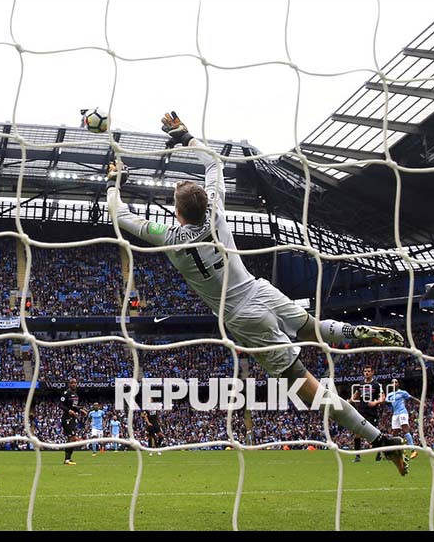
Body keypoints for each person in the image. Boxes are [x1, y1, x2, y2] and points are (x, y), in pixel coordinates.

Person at [105, 111, 409, 475]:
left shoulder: (168, 238)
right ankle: (352, 331)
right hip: (259, 290)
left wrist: (113, 182)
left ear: (177, 213)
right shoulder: (216, 213)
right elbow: (214, 163)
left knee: (306, 388)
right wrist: (185, 137)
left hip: (243, 317)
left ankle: (378, 439)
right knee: (312, 328)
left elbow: (120, 217)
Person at [349, 365, 385, 463]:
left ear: (372, 372)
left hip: (372, 413)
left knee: (374, 435)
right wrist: (350, 401)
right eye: (365, 371)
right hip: (361, 413)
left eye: (369, 371)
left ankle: (378, 454)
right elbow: (356, 395)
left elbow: (382, 397)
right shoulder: (360, 384)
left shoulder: (376, 385)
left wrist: (376, 402)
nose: (367, 373)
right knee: (357, 434)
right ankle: (357, 456)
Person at [386, 378, 422, 459]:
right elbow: (387, 404)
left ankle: (413, 451)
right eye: (392, 382)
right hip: (395, 414)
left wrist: (421, 402)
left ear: (398, 384)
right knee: (395, 433)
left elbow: (412, 398)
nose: (394, 383)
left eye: (396, 382)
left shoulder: (402, 392)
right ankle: (397, 452)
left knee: (405, 430)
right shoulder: (389, 395)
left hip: (402, 412)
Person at [60, 377, 87, 465]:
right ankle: (67, 459)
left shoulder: (75, 395)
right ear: (69, 384)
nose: (73, 384)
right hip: (67, 418)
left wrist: (80, 410)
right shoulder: (66, 393)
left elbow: (74, 407)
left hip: (73, 419)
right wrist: (68, 411)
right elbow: (60, 405)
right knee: (73, 437)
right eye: (72, 383)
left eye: (75, 383)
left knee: (71, 439)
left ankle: (68, 459)